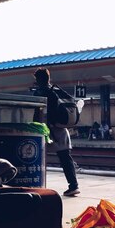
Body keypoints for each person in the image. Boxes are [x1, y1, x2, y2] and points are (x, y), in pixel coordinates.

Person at [33, 67, 80, 196]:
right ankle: (74, 185)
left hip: (47, 129)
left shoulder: (40, 92)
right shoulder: (57, 89)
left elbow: (36, 112)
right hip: (62, 128)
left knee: (36, 157)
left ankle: (37, 185)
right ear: (49, 77)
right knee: (65, 158)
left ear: (37, 79)